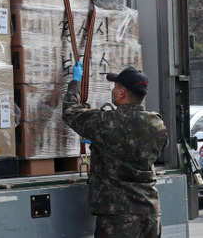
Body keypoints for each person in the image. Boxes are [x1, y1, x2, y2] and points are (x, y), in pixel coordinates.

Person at [63, 64, 169, 238]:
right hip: (150, 213)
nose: (113, 91)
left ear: (121, 94)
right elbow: (153, 149)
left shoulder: (105, 122)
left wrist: (75, 82)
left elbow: (70, 112)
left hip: (118, 216)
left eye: (115, 88)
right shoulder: (157, 125)